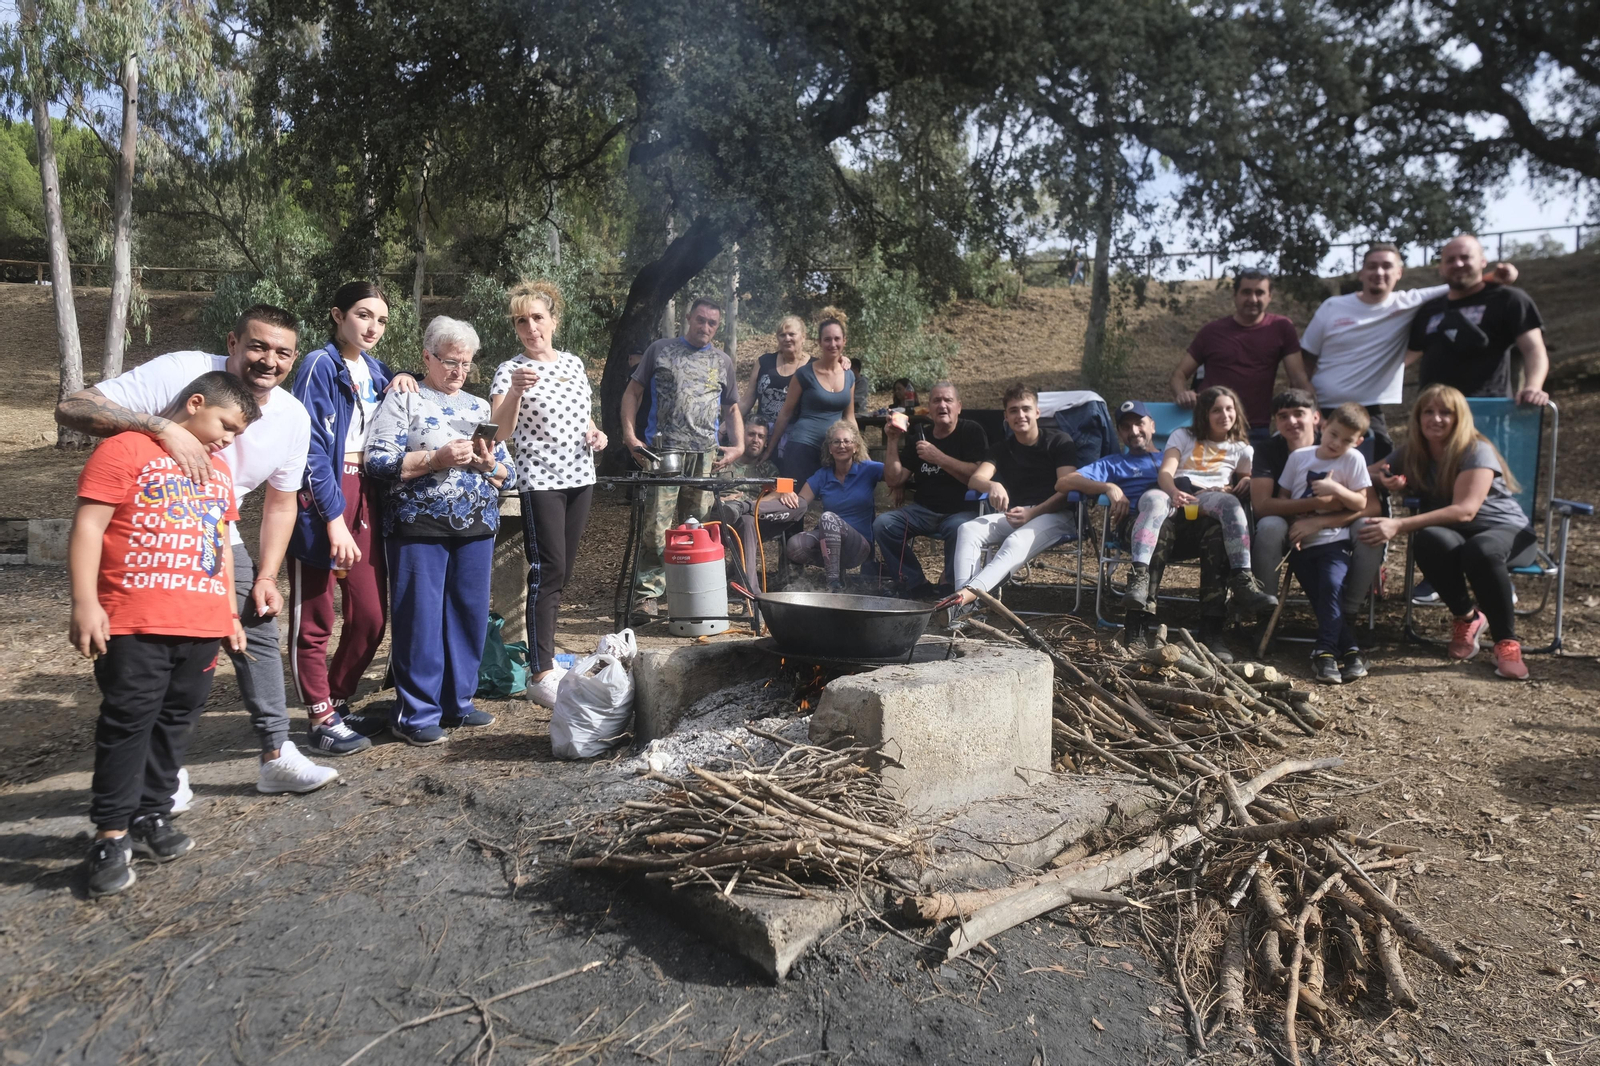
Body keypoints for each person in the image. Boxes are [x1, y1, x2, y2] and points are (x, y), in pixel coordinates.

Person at [55, 305, 338, 796]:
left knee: (257, 621)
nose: (268, 360)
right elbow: (73, 407)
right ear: (232, 342)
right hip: (147, 528)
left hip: (214, 530)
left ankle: (276, 753)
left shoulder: (291, 415)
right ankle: (153, 770)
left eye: (282, 352)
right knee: (143, 652)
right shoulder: (183, 371)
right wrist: (158, 427)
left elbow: (280, 502)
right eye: (257, 346)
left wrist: (268, 576)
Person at [69, 371, 257, 897]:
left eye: (237, 434)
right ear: (195, 403)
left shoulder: (218, 473)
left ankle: (152, 813)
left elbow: (218, 546)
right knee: (128, 724)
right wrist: (85, 603)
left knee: (176, 723)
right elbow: (89, 526)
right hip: (134, 622)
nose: (227, 440)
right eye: (225, 424)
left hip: (200, 625)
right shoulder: (126, 449)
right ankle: (110, 833)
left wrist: (229, 615)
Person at [366, 316, 513, 744]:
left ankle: (458, 704)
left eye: (466, 364)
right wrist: (436, 460)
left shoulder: (479, 407)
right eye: (450, 362)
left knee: (468, 615)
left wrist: (490, 465)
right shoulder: (403, 399)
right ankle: (417, 714)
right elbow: (378, 460)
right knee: (420, 619)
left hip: (477, 524)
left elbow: (510, 472)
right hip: (417, 523)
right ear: (426, 357)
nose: (459, 373)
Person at [287, 282, 418, 754]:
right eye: (364, 316)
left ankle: (337, 700)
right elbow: (311, 449)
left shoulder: (379, 370)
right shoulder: (318, 365)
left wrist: (403, 374)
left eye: (381, 320)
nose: (373, 327)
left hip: (367, 493)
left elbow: (395, 408)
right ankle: (319, 717)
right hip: (321, 496)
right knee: (316, 615)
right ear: (337, 315)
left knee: (369, 616)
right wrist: (332, 519)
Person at [1358, 384, 1535, 681]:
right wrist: (1388, 478)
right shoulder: (1414, 451)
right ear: (1418, 417)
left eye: (1445, 413)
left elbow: (1465, 510)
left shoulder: (1476, 449)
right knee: (1428, 539)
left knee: (1481, 549)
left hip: (1507, 531)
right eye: (1428, 411)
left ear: (1459, 418)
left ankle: (1506, 642)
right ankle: (1468, 617)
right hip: (1458, 535)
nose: (1435, 419)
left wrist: (1398, 525)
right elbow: (1364, 471)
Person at [489, 280, 607, 709]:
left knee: (563, 572)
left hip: (581, 476)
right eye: (522, 320)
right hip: (540, 480)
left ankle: (547, 659)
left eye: (537, 317)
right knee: (548, 570)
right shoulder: (510, 370)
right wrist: (517, 391)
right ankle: (540, 673)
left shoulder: (574, 364)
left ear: (554, 321)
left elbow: (584, 419)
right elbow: (500, 432)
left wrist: (596, 434)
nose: (530, 327)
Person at [1301, 242, 1519, 462]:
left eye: (1387, 266)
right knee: (1309, 474)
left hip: (1368, 410)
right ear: (1361, 272)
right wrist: (1310, 405)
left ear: (1399, 273)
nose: (1379, 272)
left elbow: (1461, 284)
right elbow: (1305, 358)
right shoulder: (1332, 307)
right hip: (1323, 408)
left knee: (1374, 476)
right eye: (1372, 266)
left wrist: (1499, 276)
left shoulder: (1408, 303)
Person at [620, 298, 743, 617]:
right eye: (700, 320)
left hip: (705, 457)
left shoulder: (722, 361)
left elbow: (731, 408)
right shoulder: (660, 350)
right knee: (655, 527)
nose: (705, 327)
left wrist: (738, 446)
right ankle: (647, 596)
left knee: (698, 527)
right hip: (663, 452)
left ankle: (693, 591)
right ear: (688, 318)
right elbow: (633, 393)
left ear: (718, 327)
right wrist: (631, 437)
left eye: (712, 323)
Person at [1126, 386, 1276, 619]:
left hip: (1208, 496)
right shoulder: (1183, 435)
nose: (1225, 415)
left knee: (1232, 506)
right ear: (1204, 413)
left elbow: (1243, 477)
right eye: (1216, 410)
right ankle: (1138, 578)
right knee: (1154, 501)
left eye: (1229, 409)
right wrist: (1174, 492)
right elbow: (1165, 472)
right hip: (1174, 489)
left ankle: (1243, 580)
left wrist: (1246, 480)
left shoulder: (1242, 449)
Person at [1251, 389, 1384, 623]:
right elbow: (1262, 506)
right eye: (1283, 416)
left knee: (1370, 527)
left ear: (1317, 419)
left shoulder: (1346, 450)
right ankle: (1265, 614)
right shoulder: (1268, 450)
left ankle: (1350, 612)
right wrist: (1313, 506)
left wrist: (1320, 520)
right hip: (1289, 525)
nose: (1291, 421)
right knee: (1269, 526)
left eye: (1299, 413)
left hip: (1335, 529)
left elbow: (1370, 506)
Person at [947, 385, 1077, 612]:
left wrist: (1033, 513)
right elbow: (975, 479)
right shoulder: (1001, 448)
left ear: (1037, 412)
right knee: (967, 530)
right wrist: (993, 484)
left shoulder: (1059, 441)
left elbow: (1067, 490)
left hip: (1056, 515)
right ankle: (965, 608)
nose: (1021, 415)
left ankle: (964, 598)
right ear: (1006, 417)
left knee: (1015, 541)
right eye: (1014, 410)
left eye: (1026, 409)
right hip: (1018, 514)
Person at [1277, 403, 1379, 684]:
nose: (1337, 443)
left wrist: (1335, 489)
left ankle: (1324, 653)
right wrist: (1295, 524)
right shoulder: (1299, 457)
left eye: (1347, 440)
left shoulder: (1353, 460)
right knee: (1322, 595)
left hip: (1335, 541)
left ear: (1357, 441)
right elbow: (1283, 497)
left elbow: (1362, 502)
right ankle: (1352, 652)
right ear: (1322, 426)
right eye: (1333, 434)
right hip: (1300, 544)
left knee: (1332, 587)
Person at [1405, 234, 1549, 406]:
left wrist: (1533, 386)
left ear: (1483, 261)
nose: (1458, 264)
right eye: (1450, 260)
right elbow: (1405, 358)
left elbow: (1534, 349)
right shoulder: (1428, 310)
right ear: (1441, 268)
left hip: (1487, 410)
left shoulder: (1509, 299)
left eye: (1465, 257)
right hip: (1435, 412)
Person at [1170, 269, 1310, 444]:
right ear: (1235, 295)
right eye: (1246, 292)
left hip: (1255, 429)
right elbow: (1178, 375)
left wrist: (1312, 415)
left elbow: (1298, 380)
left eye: (1259, 293)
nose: (1252, 299)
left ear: (1270, 296)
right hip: (1210, 428)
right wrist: (1182, 394)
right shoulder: (1211, 332)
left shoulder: (1281, 328)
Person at [875, 381, 987, 596]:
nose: (942, 405)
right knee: (884, 524)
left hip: (961, 511)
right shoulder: (920, 437)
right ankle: (914, 583)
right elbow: (894, 479)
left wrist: (939, 457)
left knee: (961, 529)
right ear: (929, 408)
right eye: (936, 400)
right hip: (922, 511)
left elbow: (976, 474)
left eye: (948, 400)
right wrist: (892, 441)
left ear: (959, 407)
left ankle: (950, 584)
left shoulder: (971, 431)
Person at [761, 421, 883, 590]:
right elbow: (800, 503)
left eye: (847, 441)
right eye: (836, 442)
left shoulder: (868, 469)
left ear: (855, 447)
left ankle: (833, 583)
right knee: (795, 545)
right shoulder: (822, 475)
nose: (842, 445)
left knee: (828, 518)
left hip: (858, 546)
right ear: (830, 449)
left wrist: (898, 486)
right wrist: (784, 492)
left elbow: (894, 475)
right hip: (829, 542)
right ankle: (830, 575)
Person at [763, 308, 856, 485]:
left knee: (830, 501)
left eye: (837, 339)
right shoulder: (804, 374)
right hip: (801, 447)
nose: (832, 344)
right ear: (819, 342)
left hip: (835, 450)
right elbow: (786, 413)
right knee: (790, 500)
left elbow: (850, 417)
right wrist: (770, 448)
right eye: (827, 339)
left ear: (844, 341)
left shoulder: (849, 375)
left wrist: (859, 449)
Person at [709, 422, 780, 594]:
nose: (756, 440)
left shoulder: (768, 468)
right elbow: (702, 492)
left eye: (761, 436)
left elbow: (779, 492)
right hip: (722, 516)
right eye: (751, 434)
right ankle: (751, 594)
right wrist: (719, 499)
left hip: (756, 517)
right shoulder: (723, 461)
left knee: (749, 520)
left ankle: (747, 591)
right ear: (740, 436)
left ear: (766, 442)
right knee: (746, 521)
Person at [740, 315, 808, 431]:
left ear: (803, 337)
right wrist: (726, 426)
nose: (787, 338)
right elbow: (748, 399)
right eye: (782, 335)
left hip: (796, 434)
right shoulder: (764, 362)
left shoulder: (813, 366)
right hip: (762, 433)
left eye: (792, 334)